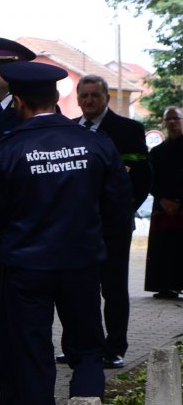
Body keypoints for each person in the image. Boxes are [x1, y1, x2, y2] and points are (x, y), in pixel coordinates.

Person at [0, 60, 131, 405]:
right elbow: (119, 205)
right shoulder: (93, 144)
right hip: (80, 264)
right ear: (55, 98)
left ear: (22, 102)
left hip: (27, 268)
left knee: (33, 360)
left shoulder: (6, 151)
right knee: (86, 352)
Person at [73, 73, 151, 367]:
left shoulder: (128, 129)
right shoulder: (70, 130)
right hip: (79, 226)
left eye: (95, 95)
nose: (89, 101)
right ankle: (83, 345)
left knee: (114, 288)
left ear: (106, 97)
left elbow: (144, 176)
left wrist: (125, 209)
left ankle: (115, 347)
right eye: (84, 96)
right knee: (81, 288)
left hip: (113, 226)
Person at [146, 106, 183, 298]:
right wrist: (162, 200)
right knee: (164, 247)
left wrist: (178, 201)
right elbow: (150, 179)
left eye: (175, 118)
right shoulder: (158, 152)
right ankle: (165, 286)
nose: (172, 123)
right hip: (162, 206)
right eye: (168, 119)